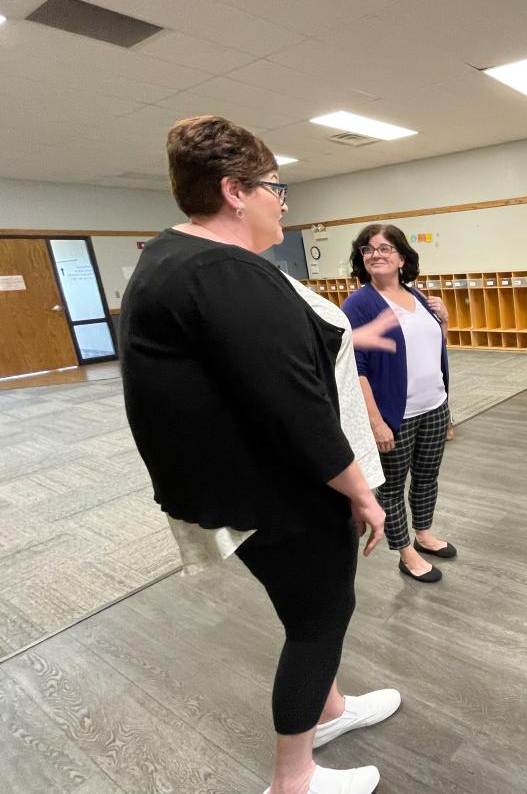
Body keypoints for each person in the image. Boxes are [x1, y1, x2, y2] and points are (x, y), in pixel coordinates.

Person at [120, 116, 399, 794]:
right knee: (320, 619)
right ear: (234, 190)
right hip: (274, 492)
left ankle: (327, 711)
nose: (283, 202)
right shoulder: (222, 270)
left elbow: (255, 369)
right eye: (277, 188)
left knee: (306, 608)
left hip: (244, 485)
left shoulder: (171, 258)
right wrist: (362, 491)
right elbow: (295, 407)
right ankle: (294, 780)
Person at [343, 224, 456, 583]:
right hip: (396, 415)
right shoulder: (359, 304)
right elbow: (355, 369)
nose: (376, 254)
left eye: (385, 248)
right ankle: (405, 552)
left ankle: (423, 533)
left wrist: (446, 320)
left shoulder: (417, 296)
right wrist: (375, 422)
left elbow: (435, 348)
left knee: (427, 477)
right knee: (392, 486)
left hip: (434, 406)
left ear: (402, 258)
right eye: (368, 249)